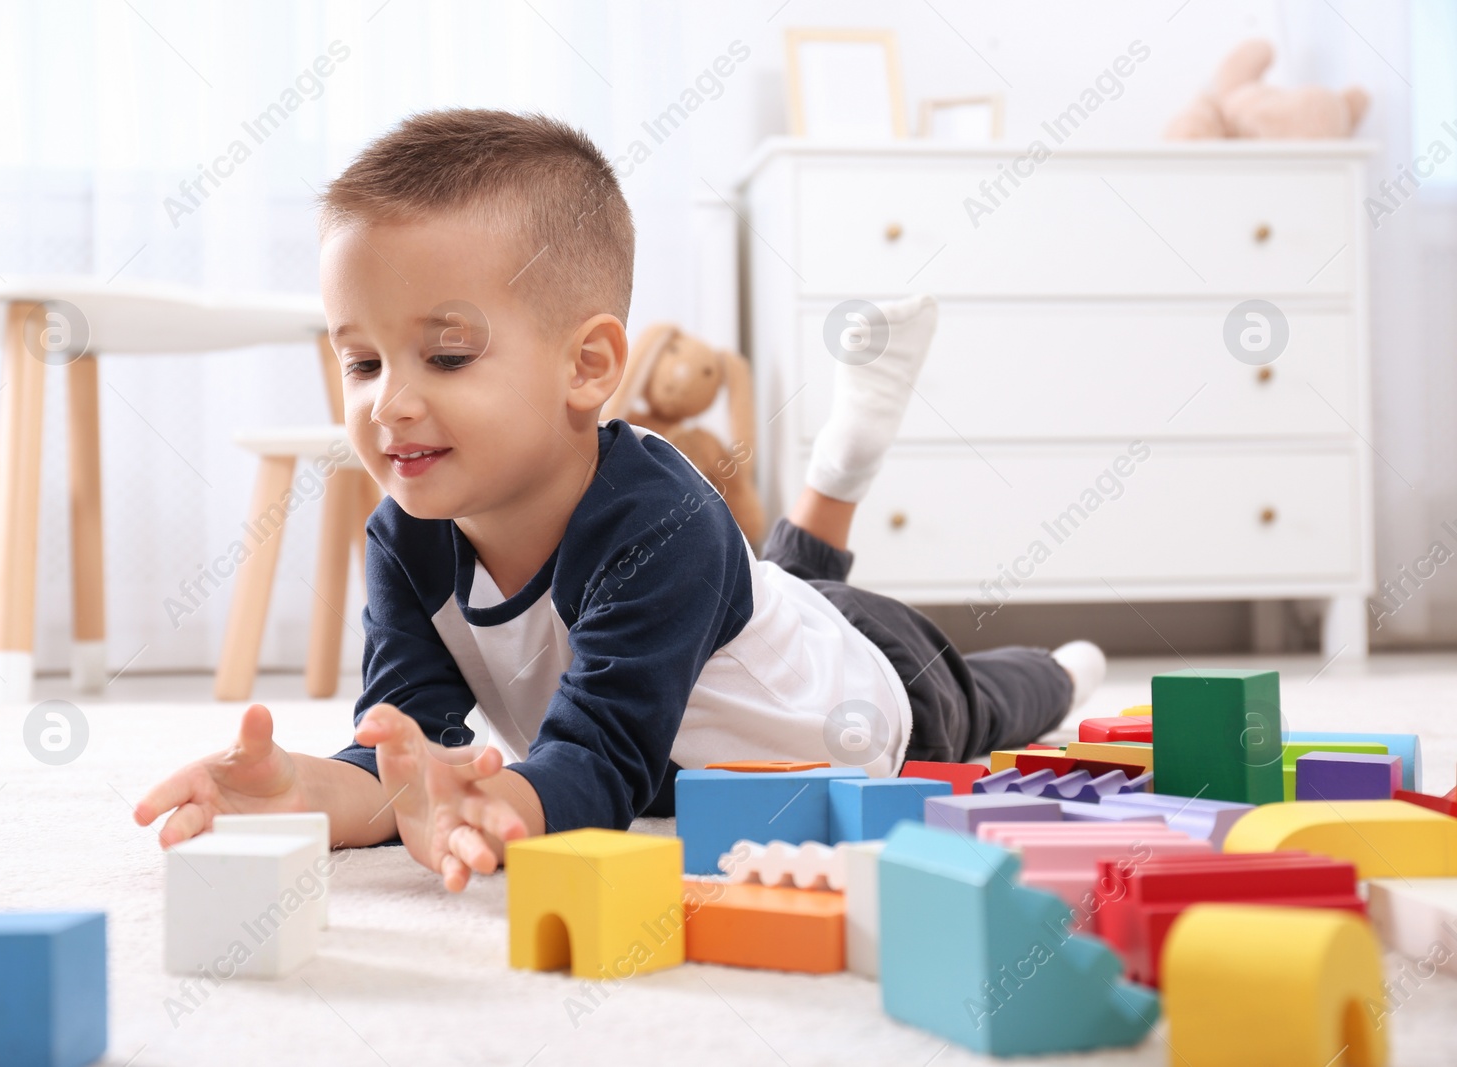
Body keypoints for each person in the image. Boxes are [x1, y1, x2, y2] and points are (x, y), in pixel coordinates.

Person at [133, 108, 1104, 893]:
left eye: (446, 354)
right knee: (768, 582)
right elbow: (403, 750)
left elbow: (599, 762)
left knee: (979, 694)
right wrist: (305, 788)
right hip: (729, 631)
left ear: (588, 365)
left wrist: (496, 805)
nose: (388, 400)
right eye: (360, 358)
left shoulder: (659, 519)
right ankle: (839, 464)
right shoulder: (405, 534)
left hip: (862, 687)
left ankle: (1049, 658)